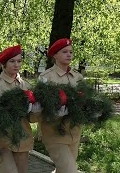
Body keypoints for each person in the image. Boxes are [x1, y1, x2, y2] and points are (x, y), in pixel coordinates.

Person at [0, 45, 36, 173]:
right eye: (12, 61)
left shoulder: (26, 85)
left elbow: (33, 118)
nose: (16, 64)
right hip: (3, 140)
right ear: (4, 64)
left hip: (22, 139)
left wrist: (35, 109)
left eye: (19, 61)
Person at [37, 38, 83, 173]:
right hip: (54, 133)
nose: (69, 55)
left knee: (63, 170)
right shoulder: (46, 77)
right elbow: (41, 106)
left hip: (74, 132)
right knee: (70, 170)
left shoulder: (77, 76)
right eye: (64, 52)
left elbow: (84, 98)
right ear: (55, 55)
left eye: (70, 52)